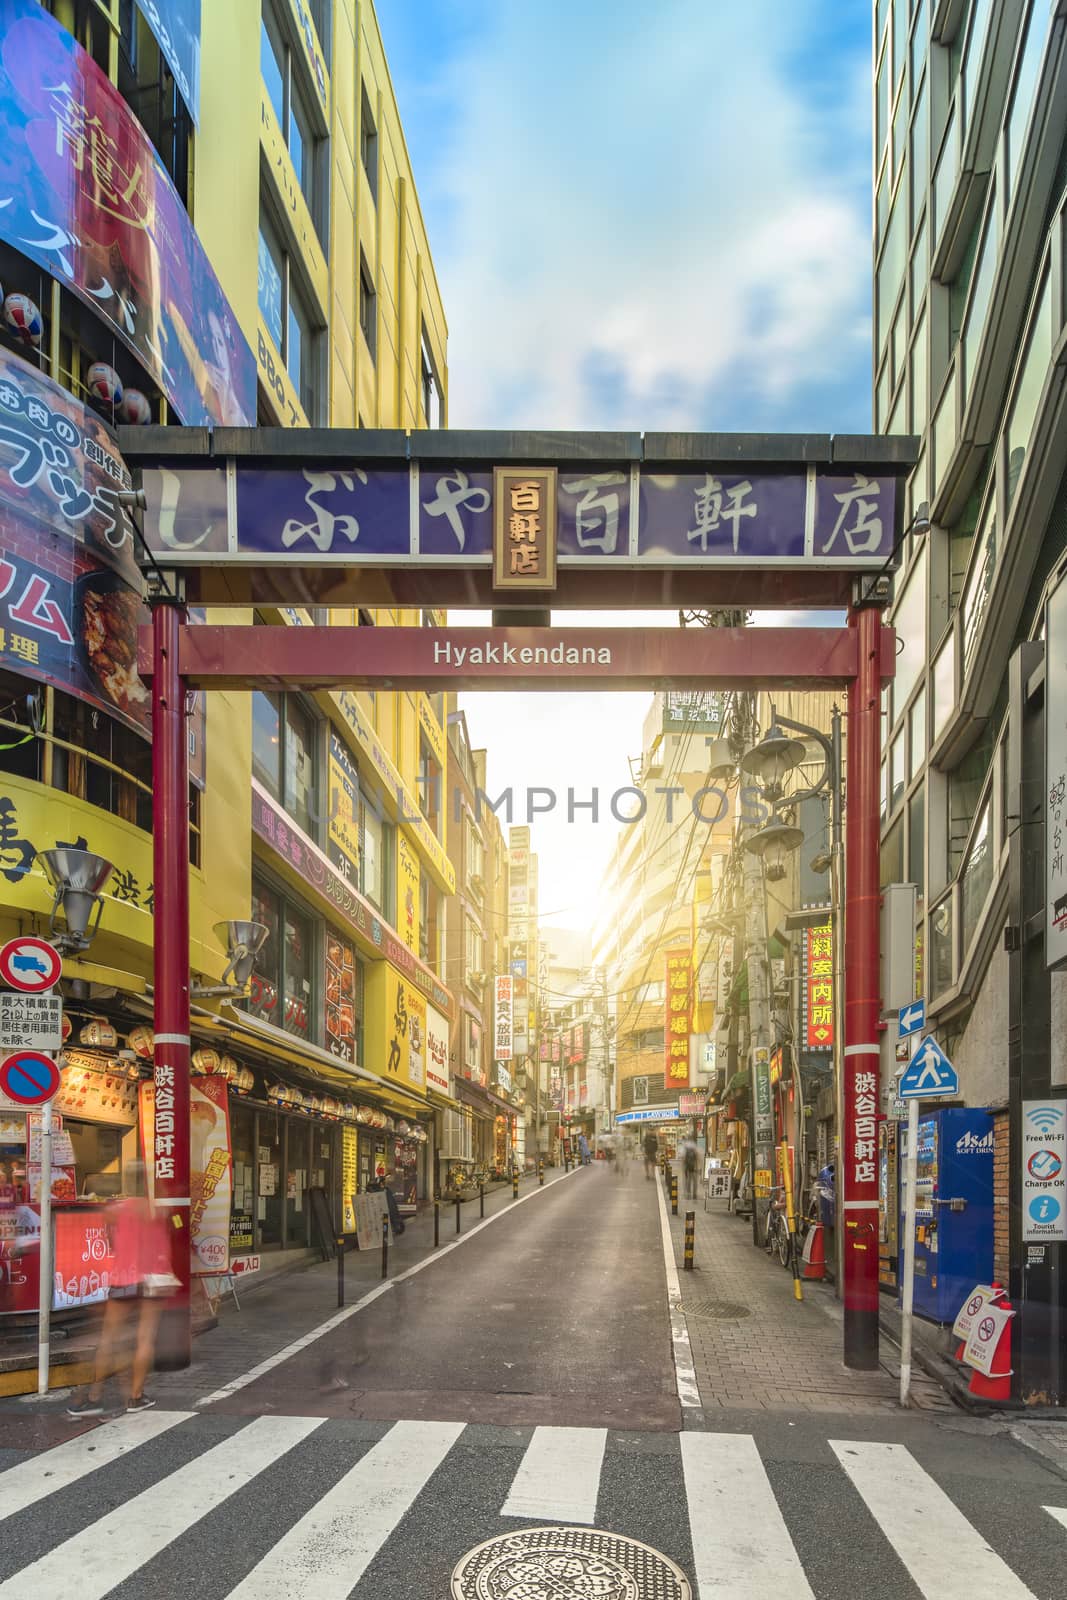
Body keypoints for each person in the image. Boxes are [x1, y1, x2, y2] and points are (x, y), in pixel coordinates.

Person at [67, 1177, 178, 1417]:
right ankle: (135, 1397)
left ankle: (94, 1396)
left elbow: (108, 1230)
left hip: (124, 1277)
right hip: (155, 1279)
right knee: (145, 1338)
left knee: (108, 1338)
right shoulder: (160, 1210)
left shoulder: (117, 1209)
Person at [680, 1134, 699, 1200]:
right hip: (694, 1166)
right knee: (694, 1180)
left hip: (687, 1166)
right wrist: (697, 1165)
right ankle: (694, 1194)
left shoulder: (685, 1146)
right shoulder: (694, 1145)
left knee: (688, 1180)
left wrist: (683, 1166)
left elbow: (683, 1157)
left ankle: (688, 1194)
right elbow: (697, 1155)